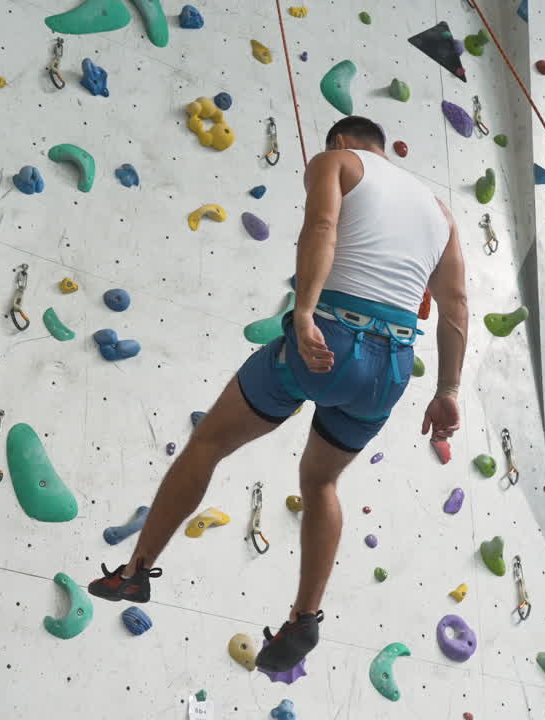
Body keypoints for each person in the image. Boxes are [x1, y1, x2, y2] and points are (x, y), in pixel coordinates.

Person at [87, 115, 468, 672]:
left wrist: (307, 311)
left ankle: (137, 571)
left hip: (329, 336)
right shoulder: (442, 214)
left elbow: (321, 230)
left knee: (209, 443)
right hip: (390, 369)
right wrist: (449, 388)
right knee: (321, 481)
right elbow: (455, 304)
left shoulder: (337, 162)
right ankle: (304, 618)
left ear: (341, 141)